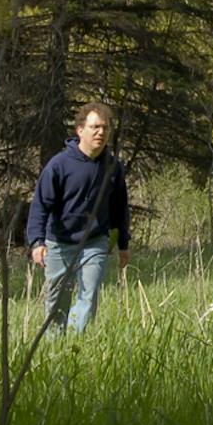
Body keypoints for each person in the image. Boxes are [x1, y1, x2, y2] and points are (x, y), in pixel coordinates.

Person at [27, 102, 131, 336]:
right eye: (95, 127)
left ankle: (74, 343)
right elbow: (41, 205)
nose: (101, 133)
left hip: (94, 242)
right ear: (80, 130)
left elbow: (119, 208)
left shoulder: (113, 167)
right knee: (57, 303)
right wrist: (37, 242)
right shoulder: (59, 165)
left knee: (89, 294)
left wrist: (123, 244)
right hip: (60, 243)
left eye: (105, 128)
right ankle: (55, 347)